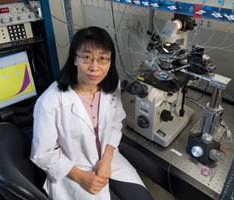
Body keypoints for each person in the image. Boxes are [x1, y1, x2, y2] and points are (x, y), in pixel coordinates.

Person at [30, 26, 154, 200]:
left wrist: (107, 158)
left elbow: (116, 122)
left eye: (103, 59)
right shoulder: (50, 101)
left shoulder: (111, 87)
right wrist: (80, 177)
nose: (94, 67)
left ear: (110, 61)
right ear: (75, 59)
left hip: (108, 161)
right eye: (87, 58)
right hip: (72, 170)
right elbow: (43, 153)